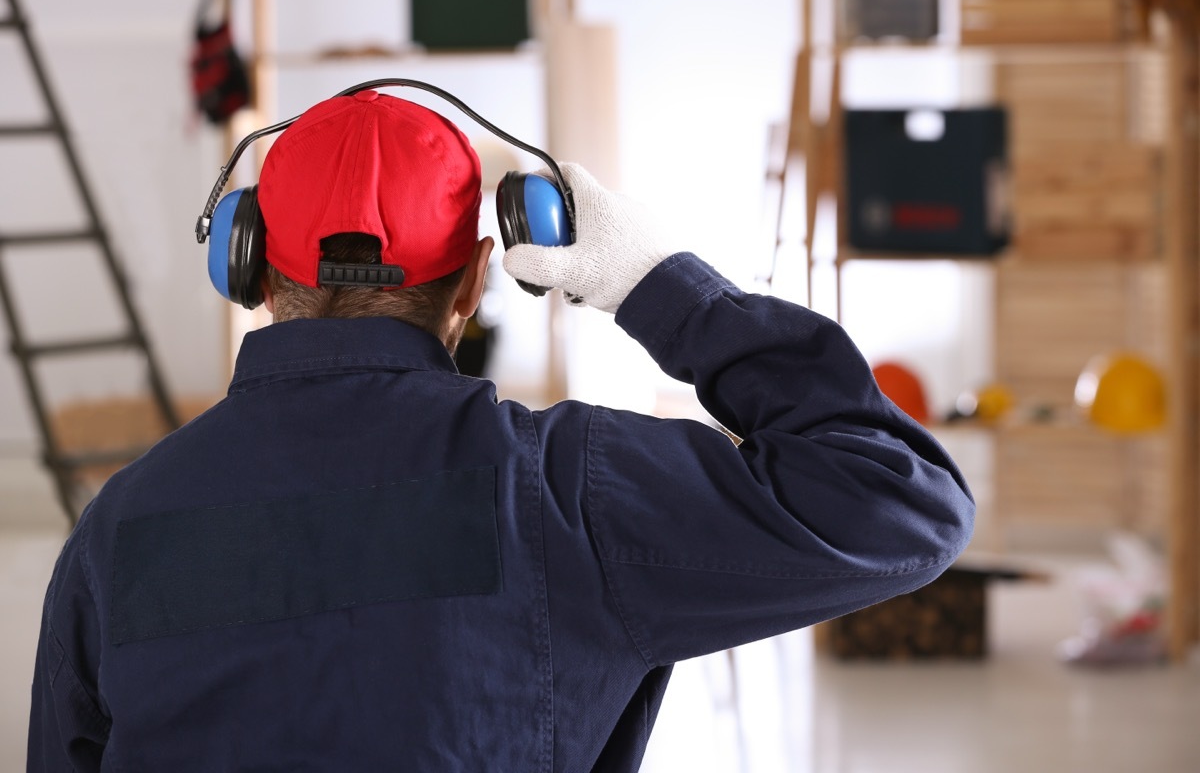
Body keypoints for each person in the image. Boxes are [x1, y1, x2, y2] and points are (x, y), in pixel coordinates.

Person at [28, 90, 974, 772]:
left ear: (249, 267)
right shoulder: (565, 488)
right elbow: (902, 504)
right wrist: (656, 284)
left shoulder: (120, 527)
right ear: (475, 281)